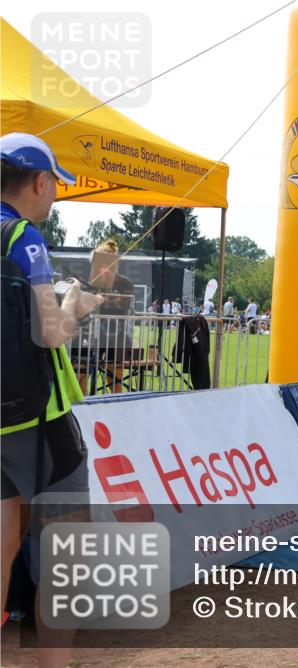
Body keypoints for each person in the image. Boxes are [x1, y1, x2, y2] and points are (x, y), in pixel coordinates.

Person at [1, 132, 103, 665]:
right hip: (39, 420)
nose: (56, 195)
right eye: (55, 184)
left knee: (1, 551)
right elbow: (50, 335)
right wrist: (73, 307)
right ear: (39, 182)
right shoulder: (25, 237)